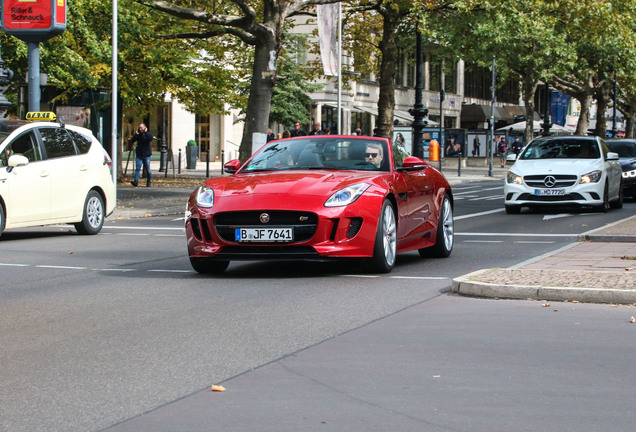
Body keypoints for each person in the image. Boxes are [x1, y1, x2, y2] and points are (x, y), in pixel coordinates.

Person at [130, 123, 154, 187]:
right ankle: (136, 181)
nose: (140, 129)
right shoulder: (138, 135)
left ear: (144, 127)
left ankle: (149, 181)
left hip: (146, 155)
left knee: (148, 169)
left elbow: (150, 139)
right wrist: (136, 135)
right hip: (139, 154)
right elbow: (132, 140)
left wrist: (145, 132)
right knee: (137, 168)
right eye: (139, 127)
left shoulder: (147, 134)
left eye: (141, 127)